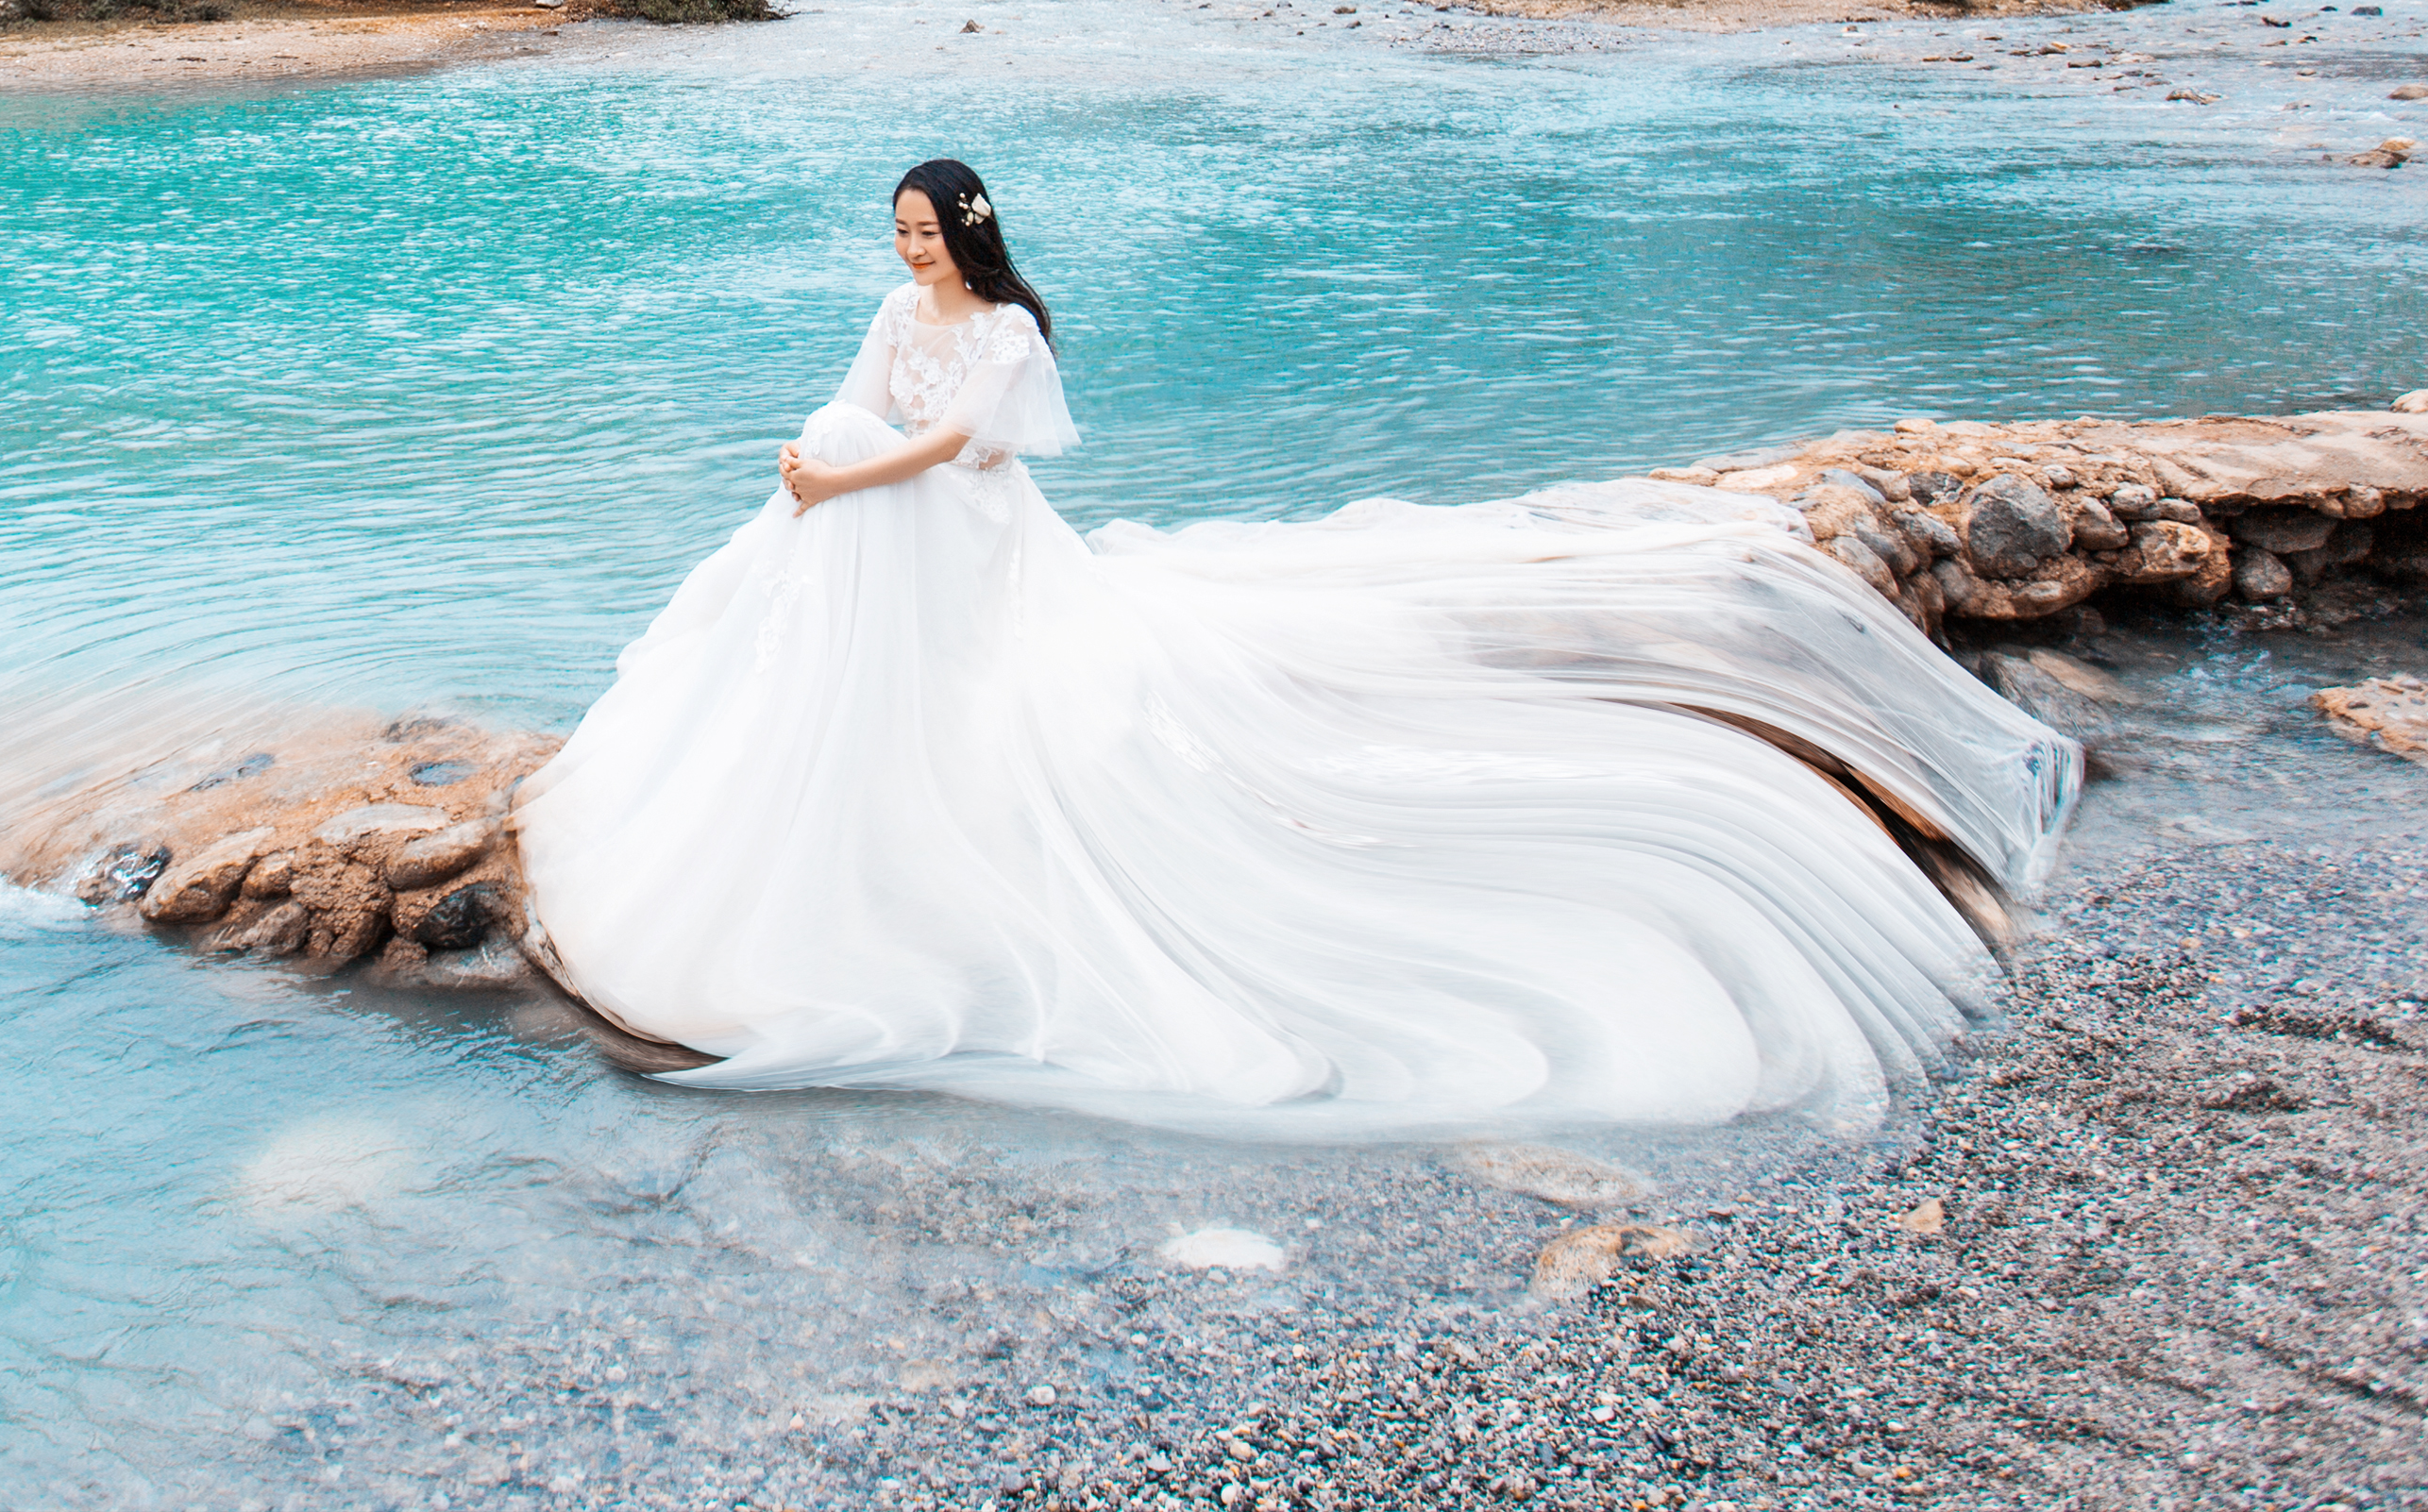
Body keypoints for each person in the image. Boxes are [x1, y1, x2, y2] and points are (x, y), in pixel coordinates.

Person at [512, 159, 2075, 1135]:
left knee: (852, 468)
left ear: (970, 234)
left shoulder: (1006, 333)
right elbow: (861, 400)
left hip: (967, 528)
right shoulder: (896, 305)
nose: (909, 252)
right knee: (826, 435)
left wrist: (839, 475)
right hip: (882, 507)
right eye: (900, 233)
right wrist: (821, 461)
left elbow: (943, 458)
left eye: (926, 233)